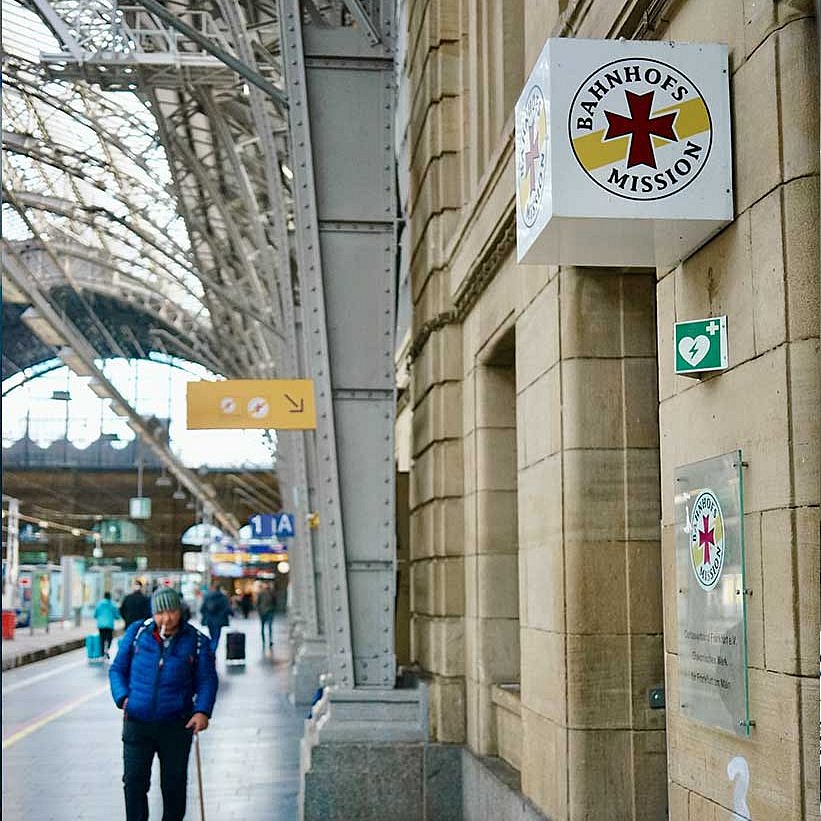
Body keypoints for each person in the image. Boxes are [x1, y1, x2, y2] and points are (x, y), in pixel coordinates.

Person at [109, 587, 218, 821]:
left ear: (180, 611)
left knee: (174, 786)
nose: (166, 618)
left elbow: (207, 680)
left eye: (171, 611)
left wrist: (202, 712)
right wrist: (123, 698)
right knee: (134, 783)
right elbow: (117, 669)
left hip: (177, 725)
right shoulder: (137, 633)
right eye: (160, 613)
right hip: (137, 722)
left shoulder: (197, 641)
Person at [200, 581, 231, 649]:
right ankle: (212, 652)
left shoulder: (207, 597)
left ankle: (211, 651)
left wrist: (205, 616)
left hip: (209, 621)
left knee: (212, 636)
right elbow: (227, 609)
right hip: (219, 621)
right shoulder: (223, 597)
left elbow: (202, 609)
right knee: (216, 637)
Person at [94, 591, 119, 658]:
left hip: (101, 625)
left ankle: (102, 653)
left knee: (102, 638)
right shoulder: (113, 604)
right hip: (109, 625)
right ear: (110, 597)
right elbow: (117, 616)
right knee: (109, 638)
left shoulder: (99, 604)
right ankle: (106, 650)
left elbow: (95, 615)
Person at [256, 582, 276, 650]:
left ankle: (265, 640)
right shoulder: (271, 593)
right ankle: (268, 640)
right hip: (268, 611)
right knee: (268, 627)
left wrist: (259, 610)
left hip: (264, 611)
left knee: (264, 627)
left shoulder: (261, 593)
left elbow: (257, 603)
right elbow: (274, 602)